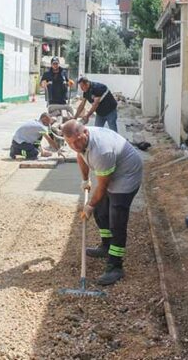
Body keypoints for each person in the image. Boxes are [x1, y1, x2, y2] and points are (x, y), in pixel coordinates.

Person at [62, 120, 143, 285]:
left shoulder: (101, 151)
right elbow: (81, 156)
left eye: (78, 140)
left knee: (117, 220)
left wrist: (89, 205)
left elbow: (104, 186)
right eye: (70, 143)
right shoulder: (81, 143)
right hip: (112, 170)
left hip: (126, 175)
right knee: (101, 211)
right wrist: (85, 180)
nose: (75, 145)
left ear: (85, 132)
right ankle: (106, 246)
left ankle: (116, 266)